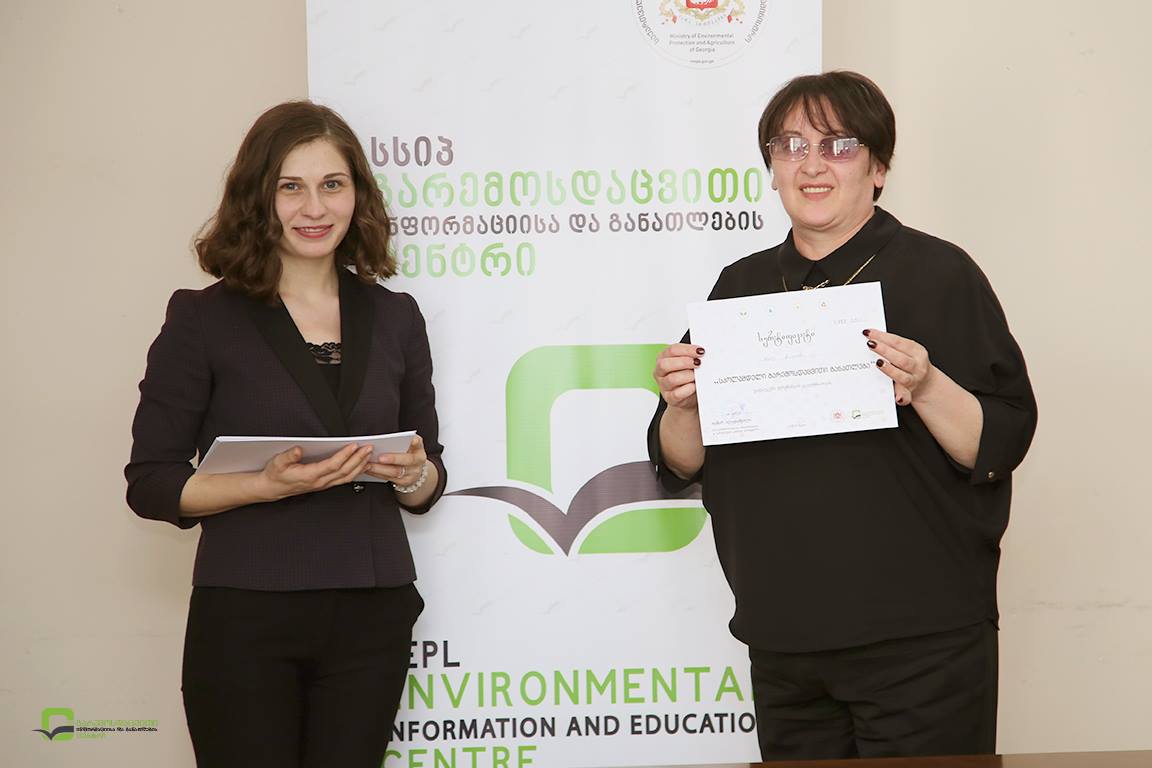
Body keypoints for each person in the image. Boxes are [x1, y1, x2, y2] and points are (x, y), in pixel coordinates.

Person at [648, 71, 1037, 760]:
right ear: (772, 167)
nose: (812, 164)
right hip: (784, 642)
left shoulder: (939, 275)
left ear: (879, 167)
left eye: (839, 145)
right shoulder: (739, 288)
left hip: (919, 644)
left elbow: (999, 442)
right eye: (791, 145)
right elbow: (678, 461)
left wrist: (926, 384)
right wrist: (684, 405)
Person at [125, 101, 446, 768]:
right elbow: (151, 483)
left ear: (357, 195)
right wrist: (262, 485)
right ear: (257, 196)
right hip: (247, 616)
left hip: (372, 614)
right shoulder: (203, 319)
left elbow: (427, 482)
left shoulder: (396, 317)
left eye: (333, 184)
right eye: (290, 186)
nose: (314, 207)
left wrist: (413, 473)